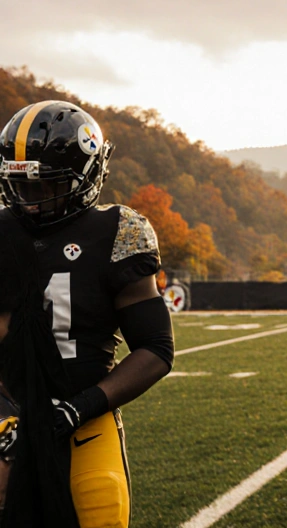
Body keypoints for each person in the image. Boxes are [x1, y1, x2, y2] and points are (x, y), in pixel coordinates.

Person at [0, 100, 174, 527]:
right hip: (9, 416)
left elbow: (156, 349)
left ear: (87, 175)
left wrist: (80, 408)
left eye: (45, 186)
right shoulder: (2, 233)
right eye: (21, 187)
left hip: (86, 421)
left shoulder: (117, 231)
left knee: (102, 509)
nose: (32, 202)